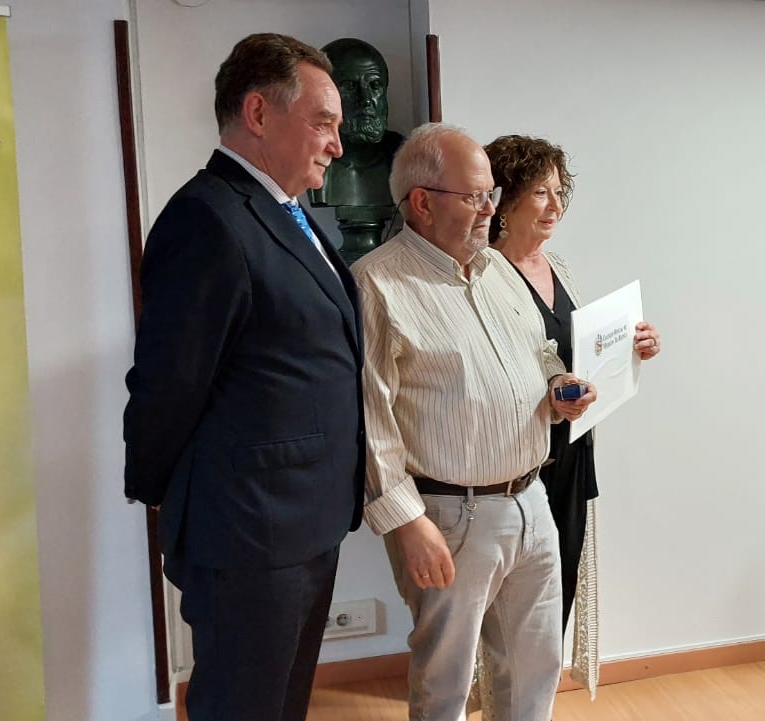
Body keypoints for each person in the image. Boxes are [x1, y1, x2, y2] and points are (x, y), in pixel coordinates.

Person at [122, 33, 363, 721]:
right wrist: (162, 491)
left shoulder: (290, 214)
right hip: (250, 531)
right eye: (323, 123)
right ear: (258, 113)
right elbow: (168, 383)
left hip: (304, 520)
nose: (337, 145)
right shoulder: (207, 219)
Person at [352, 123, 596, 721]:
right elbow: (370, 420)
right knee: (448, 683)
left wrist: (557, 392)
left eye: (492, 194)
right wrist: (407, 524)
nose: (491, 209)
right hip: (449, 515)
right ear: (422, 202)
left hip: (532, 499)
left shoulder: (497, 270)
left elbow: (537, 356)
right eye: (475, 197)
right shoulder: (377, 284)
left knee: (534, 668)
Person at [483, 134, 662, 692]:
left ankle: (532, 703)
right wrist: (549, 392)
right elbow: (494, 370)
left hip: (572, 450)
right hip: (518, 463)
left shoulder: (556, 265)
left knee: (553, 599)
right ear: (505, 198)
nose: (555, 206)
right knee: (505, 611)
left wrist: (633, 347)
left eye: (560, 192)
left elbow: (575, 352)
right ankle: (502, 702)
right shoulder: (483, 273)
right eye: (541, 192)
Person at [307, 37, 403, 263]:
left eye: (375, 86)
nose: (366, 100)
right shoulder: (312, 158)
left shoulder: (403, 156)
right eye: (350, 87)